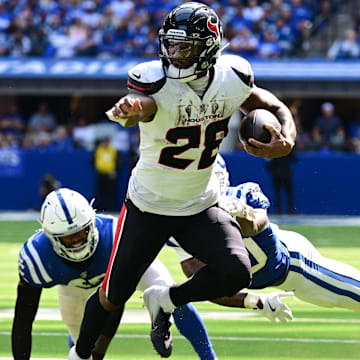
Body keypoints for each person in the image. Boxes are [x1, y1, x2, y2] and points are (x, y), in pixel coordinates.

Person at [69, 3, 296, 359]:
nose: (175, 54)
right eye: (171, 45)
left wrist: (288, 138)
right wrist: (130, 109)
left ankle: (165, 299)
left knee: (236, 271)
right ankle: (79, 355)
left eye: (185, 47)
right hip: (148, 206)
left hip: (199, 204)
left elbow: (273, 105)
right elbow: (144, 105)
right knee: (112, 297)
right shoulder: (154, 80)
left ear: (208, 47)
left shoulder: (232, 77)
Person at [13, 188, 220, 360]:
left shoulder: (113, 234)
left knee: (171, 293)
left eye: (82, 232)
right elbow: (23, 320)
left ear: (92, 224)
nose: (78, 241)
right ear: (52, 237)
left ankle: (209, 357)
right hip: (73, 289)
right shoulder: (37, 259)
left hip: (124, 265)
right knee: (83, 347)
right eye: (69, 238)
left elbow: (116, 297)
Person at [168, 156, 360, 320]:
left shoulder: (241, 195)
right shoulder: (182, 226)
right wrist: (254, 301)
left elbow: (255, 227)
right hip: (286, 281)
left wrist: (242, 211)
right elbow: (204, 285)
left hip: (299, 265)